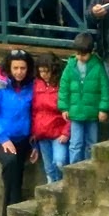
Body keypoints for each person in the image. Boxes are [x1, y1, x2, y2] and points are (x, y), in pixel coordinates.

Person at [58, 32, 109, 162]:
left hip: (92, 113)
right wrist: (64, 107)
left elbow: (105, 88)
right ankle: (74, 168)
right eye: (78, 54)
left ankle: (89, 166)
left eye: (84, 54)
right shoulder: (70, 66)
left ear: (91, 52)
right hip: (75, 113)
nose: (80, 57)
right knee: (75, 144)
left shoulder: (98, 66)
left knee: (91, 143)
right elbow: (63, 88)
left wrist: (103, 109)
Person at [29, 53, 70, 183]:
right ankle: (52, 189)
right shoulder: (36, 85)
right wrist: (34, 135)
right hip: (42, 134)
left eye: (47, 71)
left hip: (59, 133)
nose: (44, 74)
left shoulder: (62, 85)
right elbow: (34, 111)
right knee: (49, 169)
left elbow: (70, 111)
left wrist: (66, 132)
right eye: (41, 71)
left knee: (60, 162)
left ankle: (61, 186)